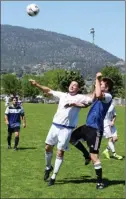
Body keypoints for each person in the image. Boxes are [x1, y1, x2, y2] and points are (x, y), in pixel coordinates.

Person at [29, 79, 93, 186]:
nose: (72, 86)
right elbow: (49, 91)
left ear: (78, 89)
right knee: (47, 147)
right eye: (71, 84)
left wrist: (97, 86)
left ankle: (53, 176)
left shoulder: (80, 97)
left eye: (75, 85)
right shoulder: (62, 95)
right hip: (54, 126)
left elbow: (90, 100)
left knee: (60, 152)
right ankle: (48, 167)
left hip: (66, 129)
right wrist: (37, 85)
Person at [69, 72, 113, 189]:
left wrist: (97, 78)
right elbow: (90, 98)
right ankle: (85, 154)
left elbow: (98, 94)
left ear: (107, 87)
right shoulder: (98, 93)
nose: (99, 84)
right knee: (71, 138)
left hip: (96, 130)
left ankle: (99, 182)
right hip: (87, 126)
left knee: (95, 156)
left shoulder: (108, 96)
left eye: (101, 84)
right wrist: (74, 102)